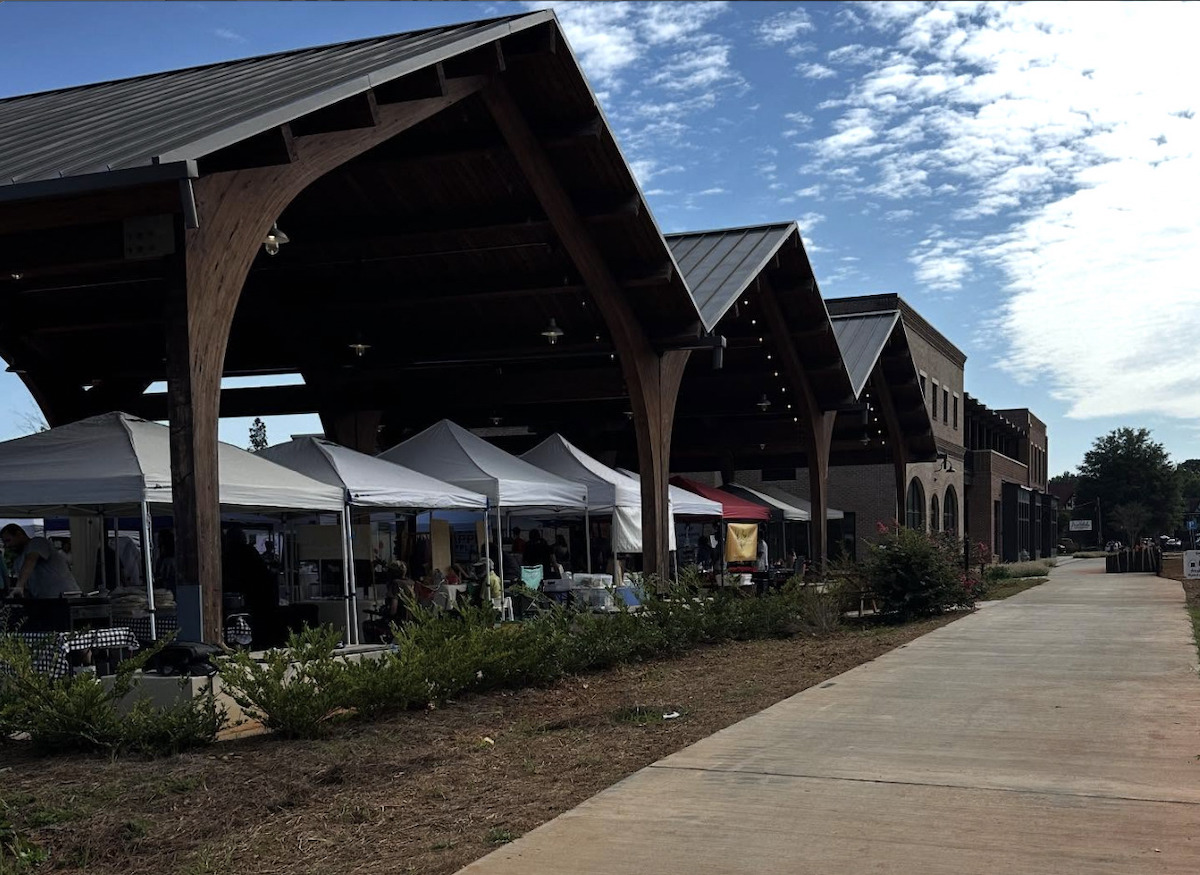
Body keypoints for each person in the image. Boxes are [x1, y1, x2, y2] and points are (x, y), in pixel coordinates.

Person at [1, 523, 81, 599]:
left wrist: (19, 586)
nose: (7, 545)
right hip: (45, 601)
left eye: (8, 540)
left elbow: (31, 560)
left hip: (66, 597)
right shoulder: (18, 561)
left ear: (19, 534)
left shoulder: (37, 542)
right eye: (4, 542)